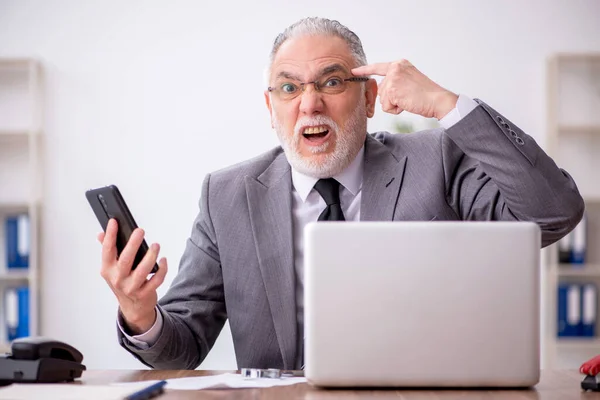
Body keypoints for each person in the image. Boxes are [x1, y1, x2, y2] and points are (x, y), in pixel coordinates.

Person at [98, 17, 584, 370]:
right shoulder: (226, 196)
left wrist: (447, 106)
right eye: (289, 89)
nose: (310, 103)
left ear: (370, 97)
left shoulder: (435, 159)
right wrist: (142, 315)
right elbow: (182, 347)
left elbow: (553, 213)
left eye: (332, 82)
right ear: (271, 108)